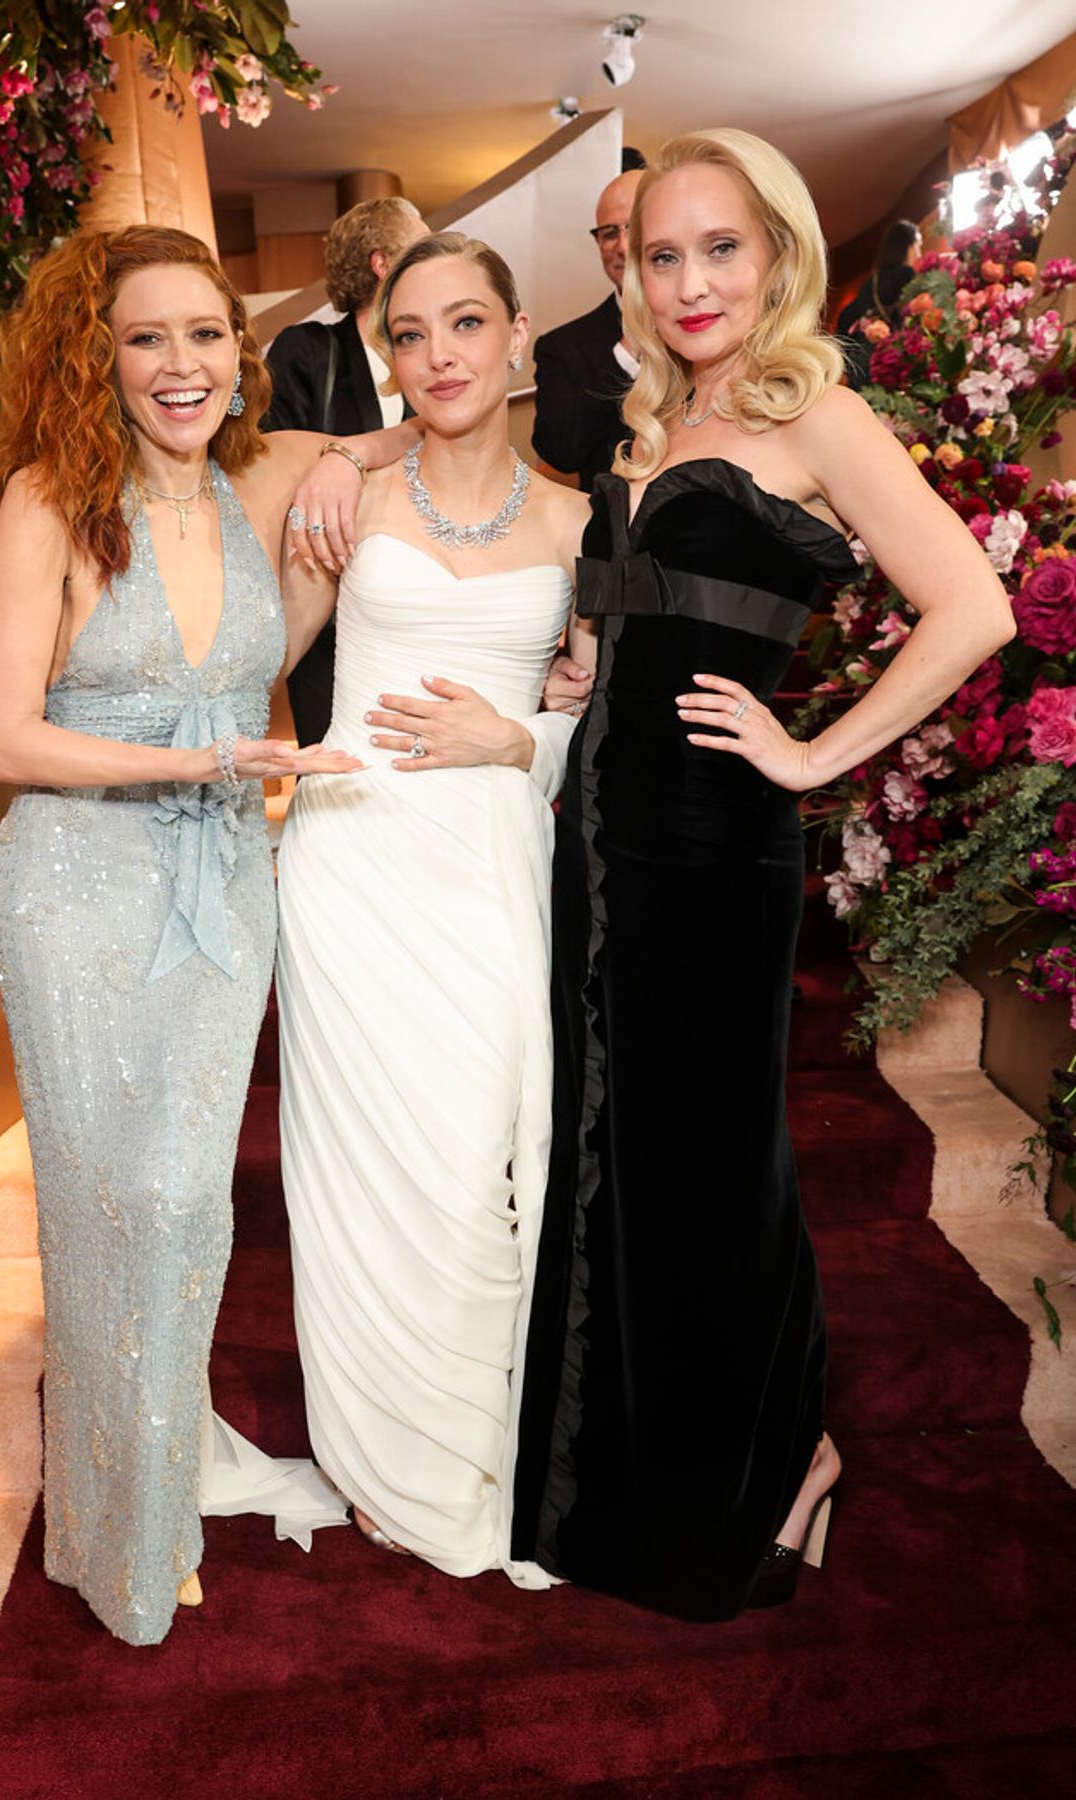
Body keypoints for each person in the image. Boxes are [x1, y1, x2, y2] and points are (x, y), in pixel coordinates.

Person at [512, 129, 1013, 1620]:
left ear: (779, 252)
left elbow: (974, 606)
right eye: (662, 254)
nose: (691, 282)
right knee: (620, 1160)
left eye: (721, 249)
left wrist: (811, 756)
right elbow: (648, 621)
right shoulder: (652, 421)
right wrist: (580, 667)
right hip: (599, 843)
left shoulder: (819, 415)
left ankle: (786, 1457)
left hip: (712, 852)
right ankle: (633, 1484)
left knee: (713, 1170)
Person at [0, 224, 411, 1646]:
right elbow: (1, 739)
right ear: (95, 357)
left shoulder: (265, 476)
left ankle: (139, 1493)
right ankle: (126, 1535)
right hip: (76, 887)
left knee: (186, 1205)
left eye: (206, 333)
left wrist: (347, 464)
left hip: (223, 885)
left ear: (242, 348)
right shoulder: (52, 498)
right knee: (111, 1209)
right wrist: (201, 762)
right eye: (146, 337)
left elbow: (428, 431)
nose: (182, 364)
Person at [274, 231, 591, 1577]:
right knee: (359, 1177)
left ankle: (480, 1447)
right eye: (410, 333)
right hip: (350, 867)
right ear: (387, 355)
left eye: (468, 323)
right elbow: (262, 658)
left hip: (490, 873)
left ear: (519, 336)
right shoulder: (345, 494)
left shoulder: (581, 521)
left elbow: (602, 725)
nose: (441, 355)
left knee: (474, 1173)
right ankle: (377, 1456)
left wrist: (522, 738)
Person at [262, 196, 430, 745]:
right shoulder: (308, 351)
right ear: (384, 263)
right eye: (421, 244)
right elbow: (271, 464)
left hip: (419, 605)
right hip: (327, 612)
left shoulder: (434, 358)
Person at [531, 167, 643, 491]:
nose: (623, 246)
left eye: (635, 227)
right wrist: (624, 356)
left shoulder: (713, 323)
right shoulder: (562, 347)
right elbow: (560, 453)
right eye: (609, 233)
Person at [836, 218, 922, 385]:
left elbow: (846, 315)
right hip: (887, 360)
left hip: (861, 361)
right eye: (918, 244)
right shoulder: (906, 274)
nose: (920, 253)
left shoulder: (871, 282)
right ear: (908, 246)